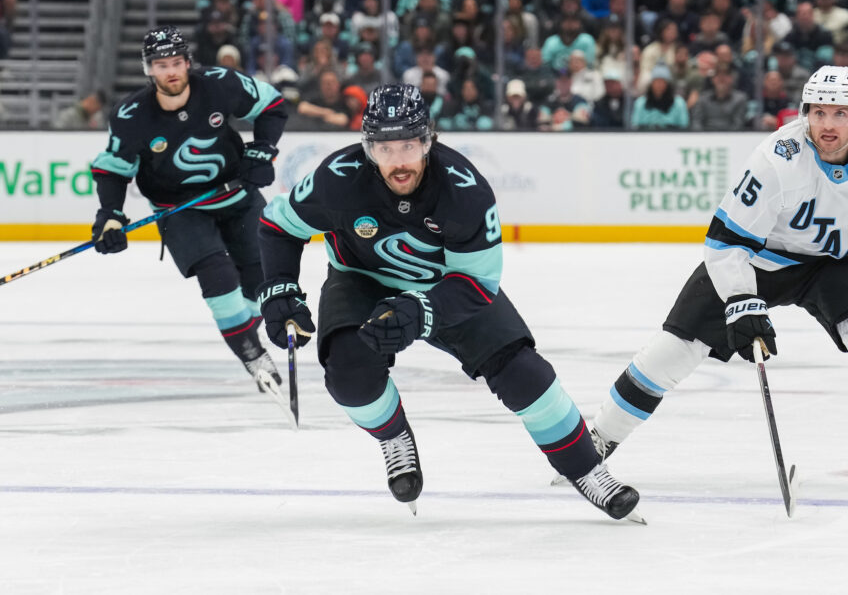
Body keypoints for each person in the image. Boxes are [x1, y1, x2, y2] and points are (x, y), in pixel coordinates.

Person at [588, 65, 848, 490]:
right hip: (758, 261)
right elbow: (725, 242)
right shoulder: (777, 159)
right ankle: (596, 441)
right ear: (805, 112)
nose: (827, 125)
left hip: (833, 264)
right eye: (818, 113)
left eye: (840, 114)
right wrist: (741, 301)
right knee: (674, 351)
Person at [255, 83, 642, 521]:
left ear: (428, 141)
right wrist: (280, 289)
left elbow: (478, 283)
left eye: (410, 145)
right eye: (384, 148)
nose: (399, 161)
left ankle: (588, 470)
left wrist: (421, 311)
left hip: (448, 286)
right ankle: (394, 437)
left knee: (525, 374)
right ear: (367, 148)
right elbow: (277, 226)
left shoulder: (465, 191)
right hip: (361, 280)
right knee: (348, 374)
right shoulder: (336, 178)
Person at [89, 26, 290, 404]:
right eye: (161, 65)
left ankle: (245, 334)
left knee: (260, 281)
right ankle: (252, 354)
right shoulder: (132, 115)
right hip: (179, 211)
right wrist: (110, 216)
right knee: (218, 275)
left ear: (188, 63)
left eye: (177, 63)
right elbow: (113, 169)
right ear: (148, 69)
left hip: (237, 195)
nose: (171, 72)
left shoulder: (219, 84)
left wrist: (263, 150)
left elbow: (273, 105)